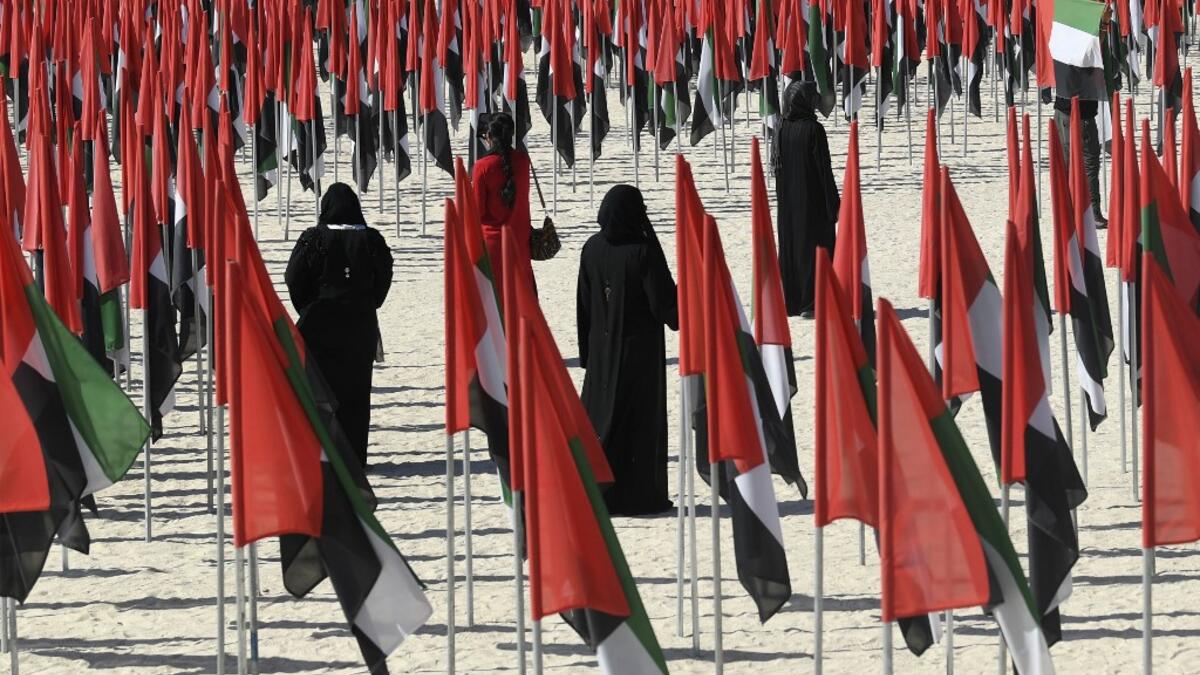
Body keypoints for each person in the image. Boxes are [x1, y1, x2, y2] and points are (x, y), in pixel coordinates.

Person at [577, 185, 679, 516]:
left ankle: (597, 493)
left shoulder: (591, 248)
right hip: (638, 356)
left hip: (601, 355)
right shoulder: (643, 252)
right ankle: (637, 497)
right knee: (636, 426)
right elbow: (667, 308)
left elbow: (583, 306)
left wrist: (587, 356)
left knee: (600, 422)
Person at [285, 183, 394, 469]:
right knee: (356, 393)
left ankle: (320, 451)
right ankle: (354, 458)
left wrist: (308, 307)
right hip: (360, 327)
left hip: (319, 326)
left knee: (318, 390)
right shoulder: (372, 240)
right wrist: (367, 303)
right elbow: (383, 279)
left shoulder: (313, 239)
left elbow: (293, 278)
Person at [773, 80, 840, 317]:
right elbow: (824, 170)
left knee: (792, 249)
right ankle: (812, 302)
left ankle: (791, 301)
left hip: (788, 204)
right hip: (812, 202)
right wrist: (834, 204)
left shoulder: (781, 127)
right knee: (815, 250)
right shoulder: (813, 129)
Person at [474, 113, 534, 293]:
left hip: (492, 246)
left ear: (490, 137)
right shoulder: (523, 161)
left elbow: (477, 211)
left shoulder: (482, 167)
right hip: (520, 241)